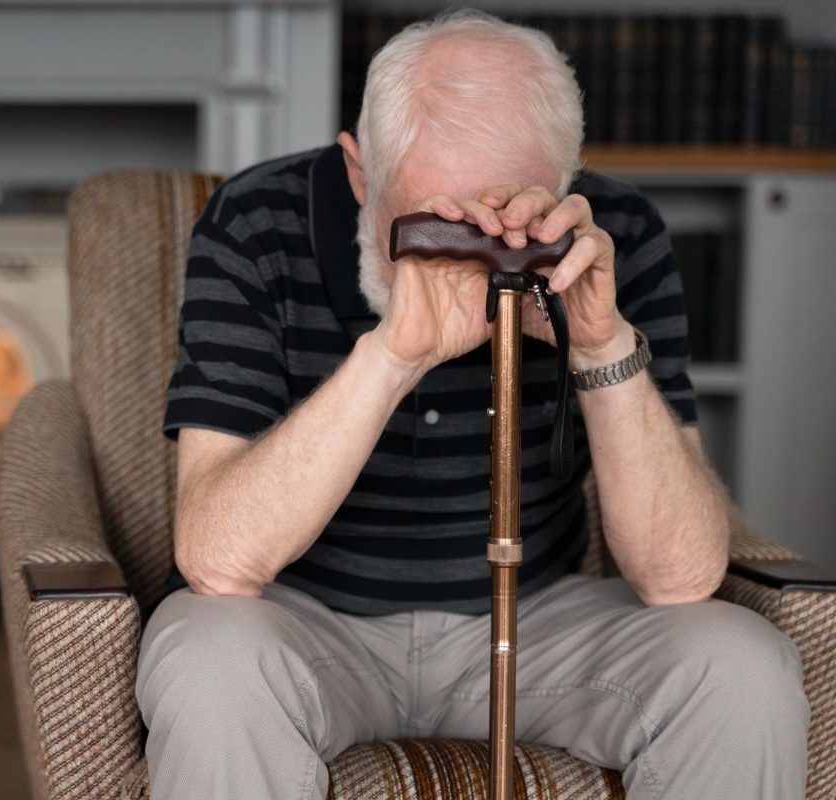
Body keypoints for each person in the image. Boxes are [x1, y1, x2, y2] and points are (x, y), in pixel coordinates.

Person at [136, 10, 809, 800]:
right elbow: (217, 559)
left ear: (565, 186)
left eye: (506, 228)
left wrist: (599, 346)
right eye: (430, 224)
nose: (471, 260)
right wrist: (393, 356)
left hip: (539, 618)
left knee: (741, 670)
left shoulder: (613, 236)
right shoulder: (256, 223)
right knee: (207, 662)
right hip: (306, 620)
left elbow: (681, 577)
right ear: (359, 174)